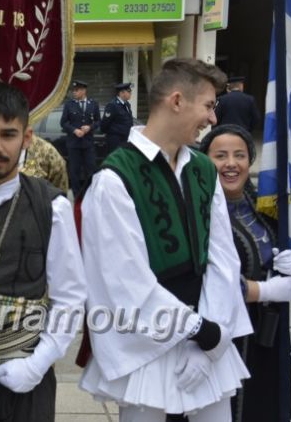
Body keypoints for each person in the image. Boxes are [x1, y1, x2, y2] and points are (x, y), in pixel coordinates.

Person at [78, 59, 252, 422]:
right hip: (147, 345)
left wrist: (212, 339)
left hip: (206, 338)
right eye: (208, 105)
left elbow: (222, 258)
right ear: (177, 101)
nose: (212, 119)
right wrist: (197, 330)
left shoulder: (204, 169)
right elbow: (123, 279)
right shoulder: (113, 178)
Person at [0, 82, 86, 420]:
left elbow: (70, 296)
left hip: (28, 378)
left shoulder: (51, 206)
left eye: (8, 134)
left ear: (26, 138)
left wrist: (37, 364)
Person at [199, 124, 291, 422]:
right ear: (205, 162)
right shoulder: (198, 213)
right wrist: (264, 290)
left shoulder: (262, 208)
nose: (231, 163)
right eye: (221, 156)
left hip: (267, 337)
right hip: (225, 338)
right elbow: (204, 279)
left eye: (240, 155)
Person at [60, 80, 100, 196]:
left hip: (88, 143)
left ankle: (91, 193)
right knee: (74, 171)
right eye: (74, 90)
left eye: (76, 90)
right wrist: (74, 130)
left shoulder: (93, 104)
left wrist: (90, 127)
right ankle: (77, 195)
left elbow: (98, 121)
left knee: (91, 169)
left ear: (83, 91)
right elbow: (63, 122)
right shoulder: (69, 104)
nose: (74, 93)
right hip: (74, 144)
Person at [100, 82, 134, 154]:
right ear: (122, 93)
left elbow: (128, 121)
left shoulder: (127, 104)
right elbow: (104, 124)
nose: (130, 94)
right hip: (115, 140)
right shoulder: (113, 105)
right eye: (129, 92)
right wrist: (113, 133)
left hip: (125, 139)